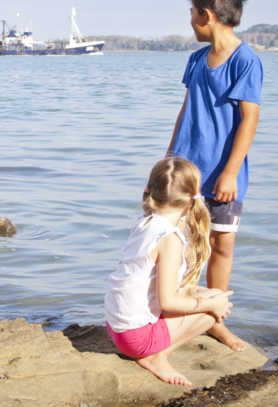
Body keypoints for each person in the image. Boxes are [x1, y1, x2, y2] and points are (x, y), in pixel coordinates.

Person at [167, 0, 262, 353]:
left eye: (192, 14)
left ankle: (214, 320)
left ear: (207, 15)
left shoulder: (245, 60)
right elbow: (185, 111)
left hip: (224, 176)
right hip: (185, 171)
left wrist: (230, 172)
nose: (190, 21)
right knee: (184, 245)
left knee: (220, 246)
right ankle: (183, 312)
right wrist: (168, 161)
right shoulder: (195, 59)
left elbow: (250, 119)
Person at [105, 157, 234, 386]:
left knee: (212, 293)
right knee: (211, 311)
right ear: (192, 199)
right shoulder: (169, 240)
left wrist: (207, 297)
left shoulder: (146, 223)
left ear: (152, 191)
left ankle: (157, 349)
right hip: (136, 339)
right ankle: (157, 357)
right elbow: (168, 302)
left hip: (117, 328)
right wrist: (211, 305)